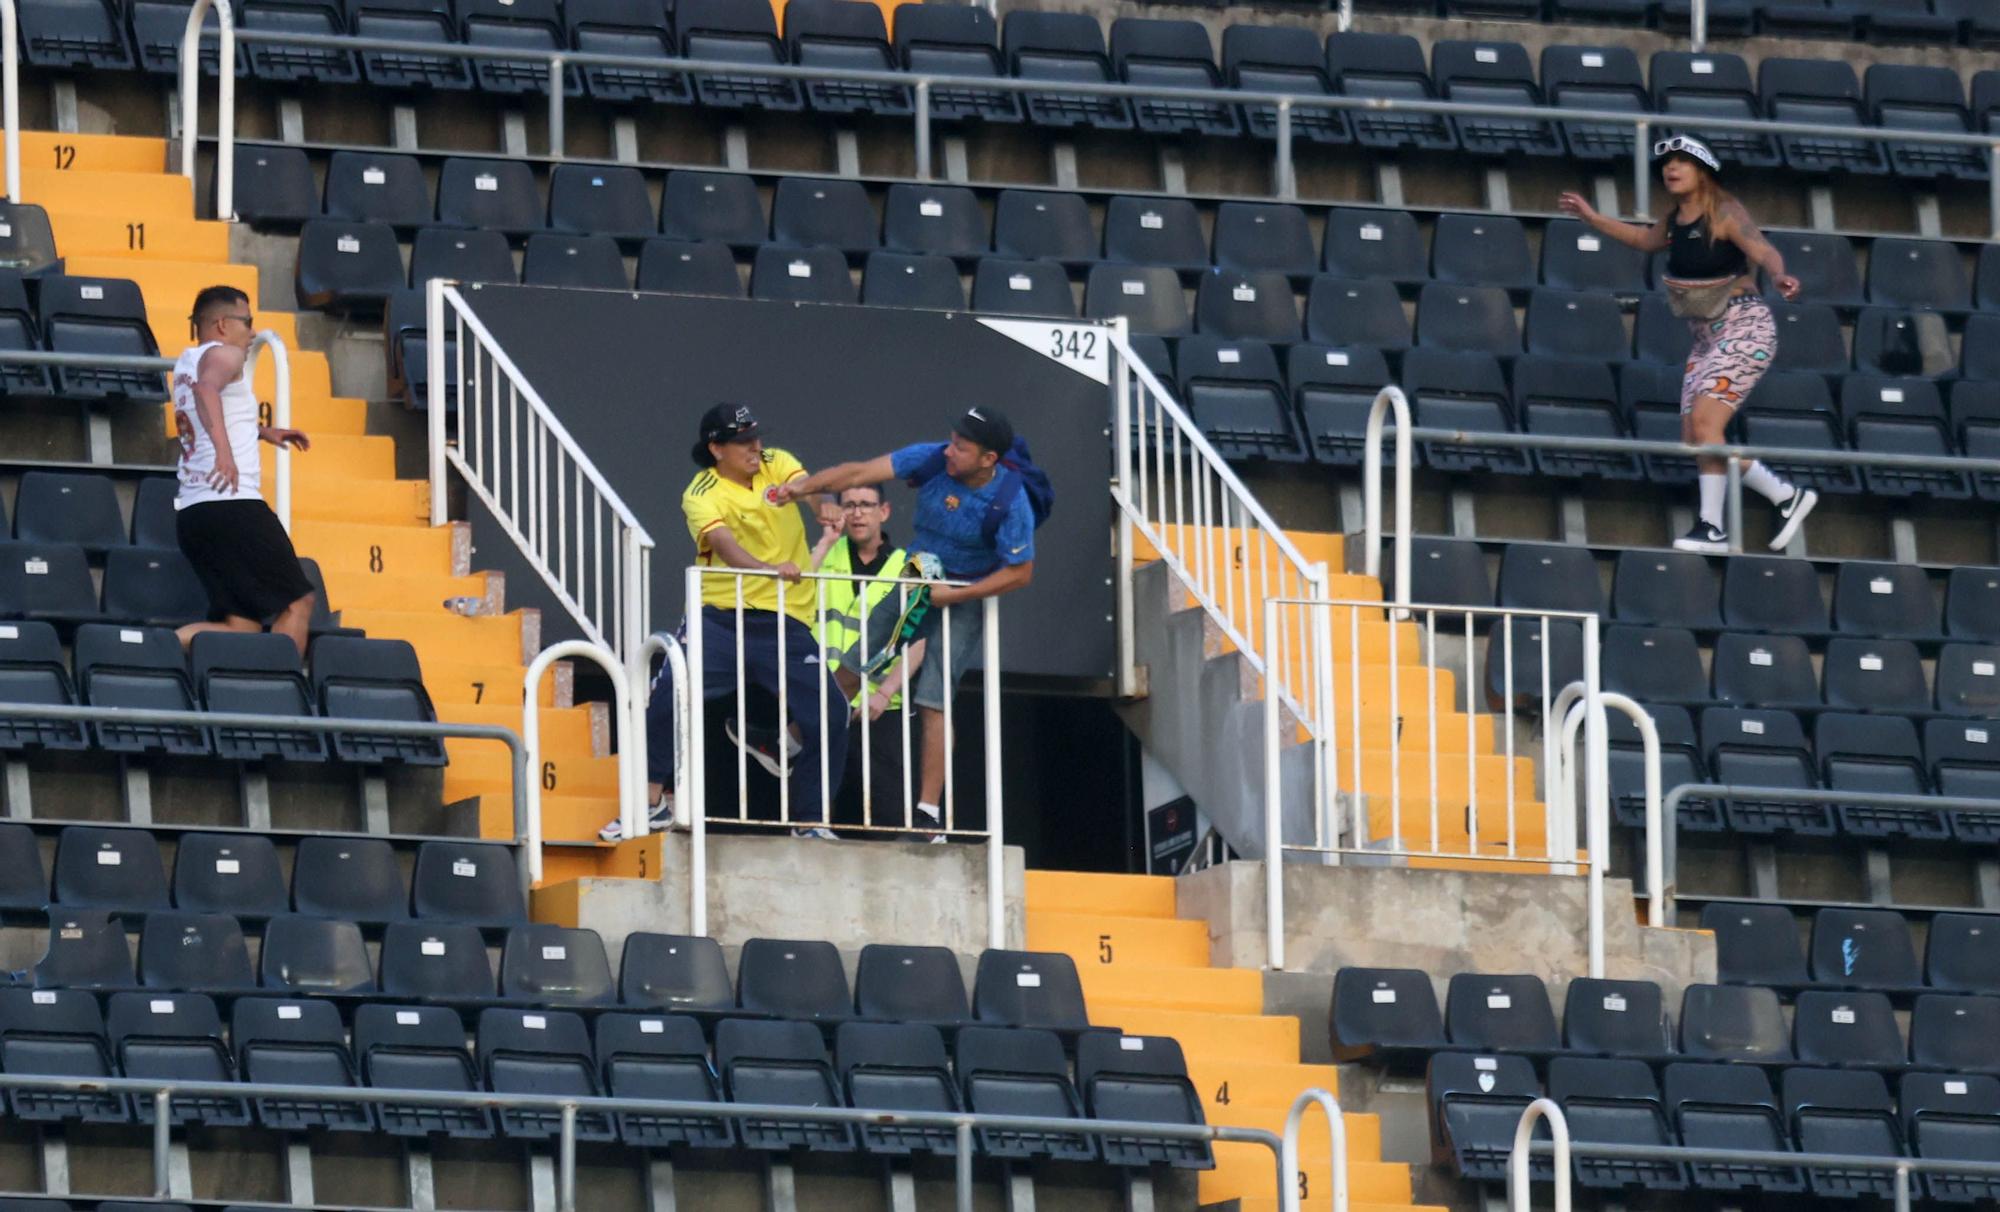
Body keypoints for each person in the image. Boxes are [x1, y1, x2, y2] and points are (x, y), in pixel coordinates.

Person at [776, 407, 1038, 837]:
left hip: (965, 590)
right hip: (916, 574)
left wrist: (956, 595)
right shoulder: (932, 458)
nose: (950, 451)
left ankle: (928, 815)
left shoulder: (1011, 502)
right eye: (952, 440)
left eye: (962, 447)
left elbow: (1020, 573)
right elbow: (858, 470)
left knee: (934, 699)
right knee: (852, 665)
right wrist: (805, 487)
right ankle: (785, 741)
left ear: (988, 459)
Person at [1559, 135, 1817, 556]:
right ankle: (1712, 527)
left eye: (1682, 161)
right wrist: (1592, 217)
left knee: (1705, 427)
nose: (1671, 168)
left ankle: (1784, 495)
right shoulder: (1676, 219)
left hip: (1744, 328)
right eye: (1667, 163)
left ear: (1702, 170)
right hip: (1705, 339)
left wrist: (1779, 275)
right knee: (1694, 434)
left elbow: (1764, 249)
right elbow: (1643, 241)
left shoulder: (1725, 213)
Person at [602, 404, 849, 842]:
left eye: (756, 436)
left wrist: (823, 506)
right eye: (742, 441)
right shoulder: (701, 492)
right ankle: (650, 804)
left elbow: (808, 487)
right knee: (667, 699)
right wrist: (766, 569)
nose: (755, 447)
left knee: (830, 711)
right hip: (719, 617)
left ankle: (811, 821)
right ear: (716, 448)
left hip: (785, 619)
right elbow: (723, 544)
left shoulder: (777, 461)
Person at [170, 285, 316, 656]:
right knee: (298, 602)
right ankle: (283, 695)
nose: (252, 332)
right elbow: (207, 391)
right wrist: (225, 453)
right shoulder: (226, 354)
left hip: (194, 512)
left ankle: (164, 649)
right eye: (247, 322)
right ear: (221, 324)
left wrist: (263, 432)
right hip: (233, 505)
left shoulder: (187, 361)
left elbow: (207, 405)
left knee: (241, 626)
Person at [808, 483, 929, 836]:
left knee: (886, 817)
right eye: (849, 505)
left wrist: (886, 692)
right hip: (821, 699)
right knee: (814, 814)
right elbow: (789, 597)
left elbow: (919, 639)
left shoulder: (908, 567)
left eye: (866, 504)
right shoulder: (825, 555)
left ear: (884, 511)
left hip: (879, 706)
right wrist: (826, 542)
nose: (857, 513)